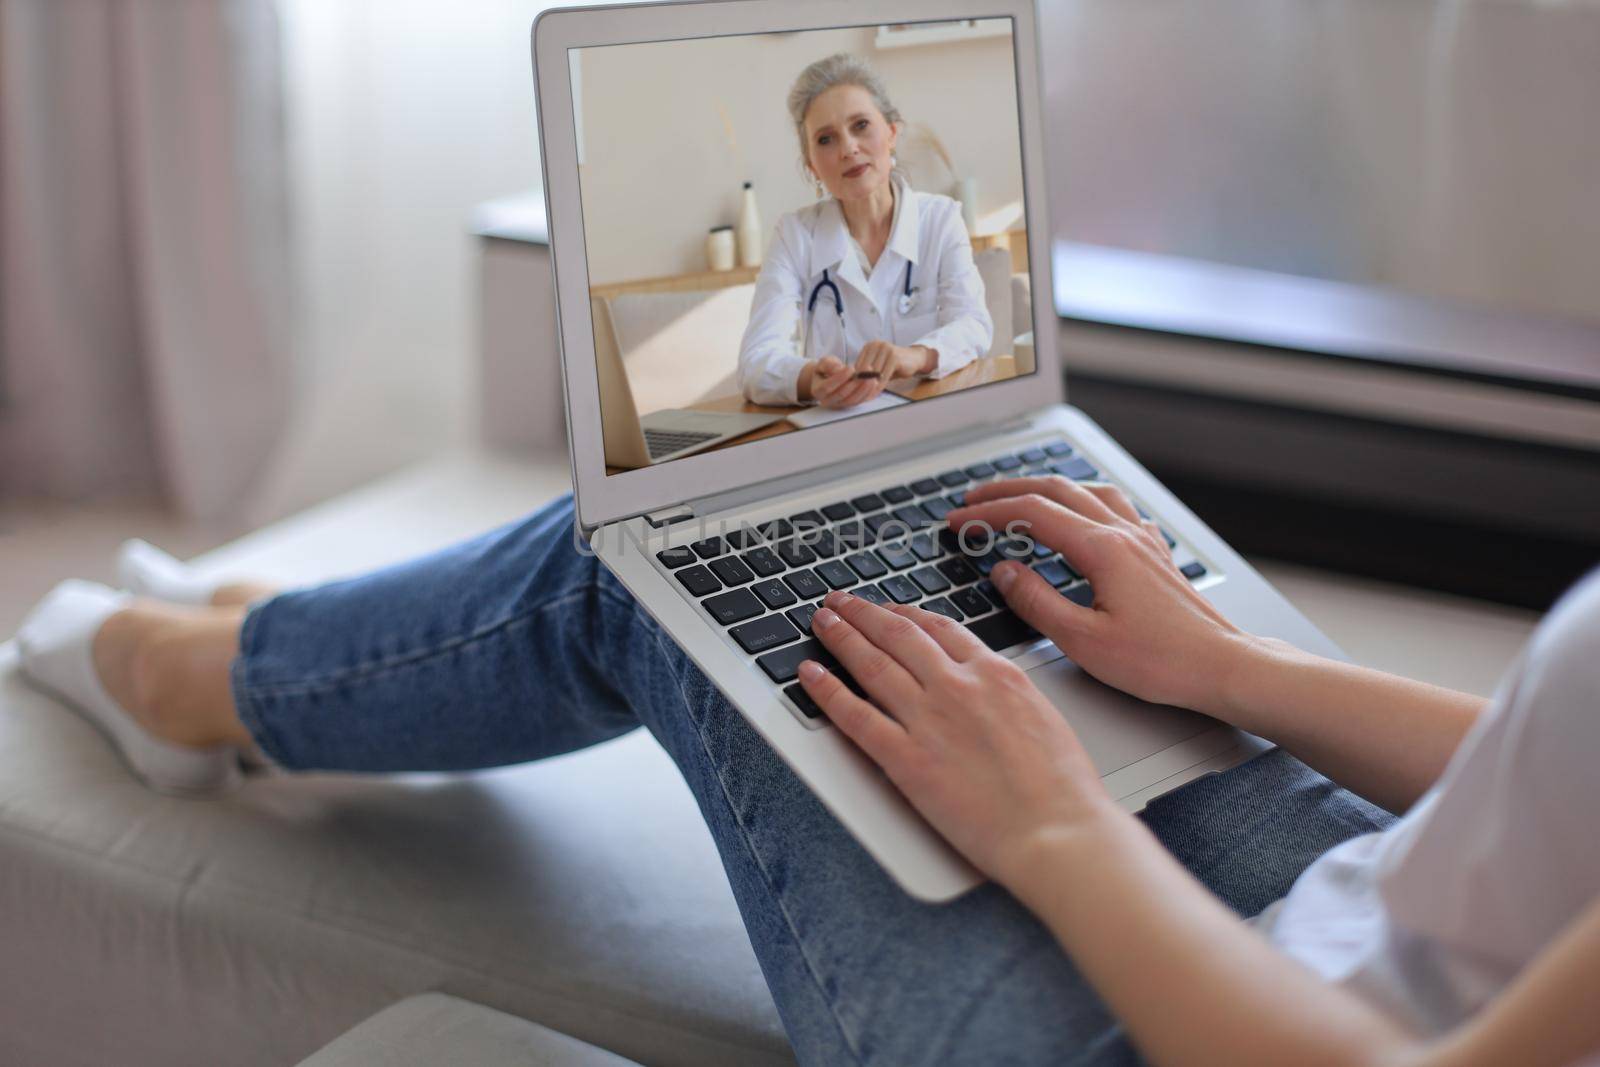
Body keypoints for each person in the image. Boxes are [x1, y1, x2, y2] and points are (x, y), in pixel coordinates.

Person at [16, 475, 1600, 1066]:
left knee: (634, 559)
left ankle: (202, 674)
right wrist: (1236, 672)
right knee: (901, 525)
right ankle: (286, 637)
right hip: (1370, 907)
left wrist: (1055, 821)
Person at [738, 53, 993, 410]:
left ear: (891, 132)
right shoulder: (794, 235)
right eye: (826, 139)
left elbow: (974, 326)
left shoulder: (940, 219)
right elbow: (755, 362)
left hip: (932, 417)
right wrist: (811, 378)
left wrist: (915, 357)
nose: (848, 149)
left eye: (860, 126)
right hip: (841, 431)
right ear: (811, 165)